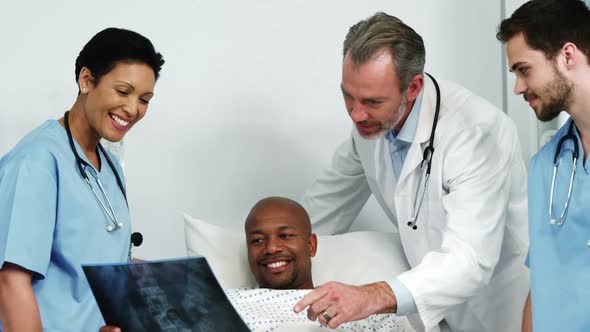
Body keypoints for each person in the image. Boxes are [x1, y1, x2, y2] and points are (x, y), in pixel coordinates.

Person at [294, 12, 530, 332]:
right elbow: (320, 212)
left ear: (413, 87)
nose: (356, 113)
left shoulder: (479, 132)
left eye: (373, 101)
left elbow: (469, 260)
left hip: (498, 313)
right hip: (430, 315)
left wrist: (372, 295)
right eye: (348, 95)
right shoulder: (368, 130)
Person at [0, 28, 164, 331]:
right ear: (86, 80)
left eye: (144, 99)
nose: (132, 109)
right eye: (123, 91)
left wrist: (188, 280)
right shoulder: (36, 162)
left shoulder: (110, 166)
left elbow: (103, 263)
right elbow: (11, 282)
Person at [497, 1, 590, 331]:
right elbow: (542, 285)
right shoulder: (543, 168)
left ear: (568, 55)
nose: (518, 87)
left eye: (524, 69)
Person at [229, 196, 412, 332]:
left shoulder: (360, 307)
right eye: (258, 240)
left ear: (311, 245)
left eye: (285, 236)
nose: (271, 248)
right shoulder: (225, 303)